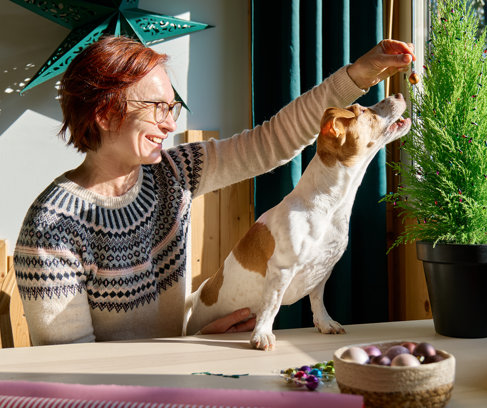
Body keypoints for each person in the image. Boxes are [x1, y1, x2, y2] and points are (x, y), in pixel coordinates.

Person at [13, 35, 416, 346]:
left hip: (189, 363)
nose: (170, 125)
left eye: (172, 109)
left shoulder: (175, 172)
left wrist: (360, 75)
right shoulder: (52, 229)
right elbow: (71, 370)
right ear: (105, 115)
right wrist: (190, 345)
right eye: (157, 108)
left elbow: (271, 141)